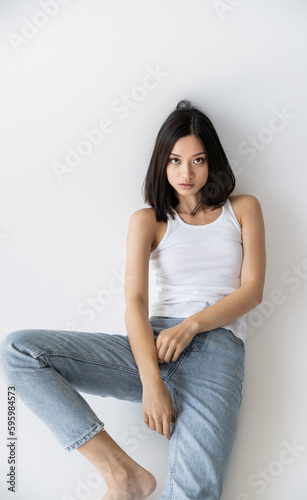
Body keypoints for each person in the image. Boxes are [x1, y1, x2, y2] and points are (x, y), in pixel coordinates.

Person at [0, 99, 266, 500]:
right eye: (175, 160)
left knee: (195, 494)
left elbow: (252, 291)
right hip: (152, 347)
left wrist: (191, 324)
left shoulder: (242, 209)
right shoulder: (149, 221)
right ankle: (122, 474)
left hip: (217, 353)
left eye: (197, 160)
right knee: (20, 351)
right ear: (162, 162)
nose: (186, 172)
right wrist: (151, 382)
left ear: (213, 162)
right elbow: (135, 303)